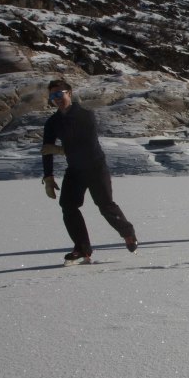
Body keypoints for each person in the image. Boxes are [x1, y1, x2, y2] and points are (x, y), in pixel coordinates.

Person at [41, 79, 138, 265]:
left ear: (69, 93)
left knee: (105, 204)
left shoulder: (85, 115)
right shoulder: (52, 122)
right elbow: (46, 150)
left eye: (59, 94)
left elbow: (88, 145)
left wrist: (61, 150)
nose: (56, 98)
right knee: (68, 206)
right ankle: (82, 249)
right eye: (52, 96)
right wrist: (48, 177)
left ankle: (128, 233)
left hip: (95, 166)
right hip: (75, 169)